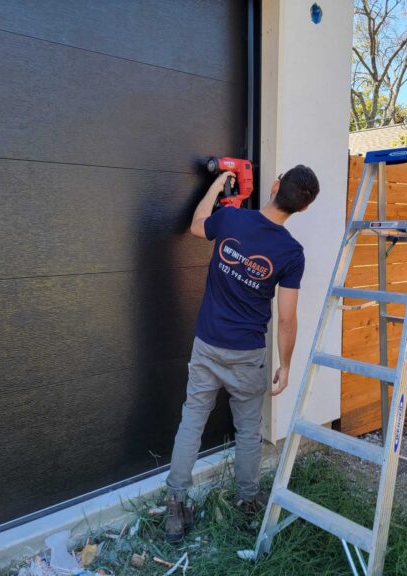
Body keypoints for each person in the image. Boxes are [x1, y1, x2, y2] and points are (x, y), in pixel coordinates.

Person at [165, 165, 320, 542]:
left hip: (207, 344)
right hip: (247, 356)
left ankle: (174, 506)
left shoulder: (231, 219)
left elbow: (197, 223)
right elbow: (286, 319)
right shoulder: (291, 253)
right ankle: (247, 504)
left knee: (192, 422)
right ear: (303, 209)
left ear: (274, 186)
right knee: (249, 432)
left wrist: (217, 184)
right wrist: (286, 364)